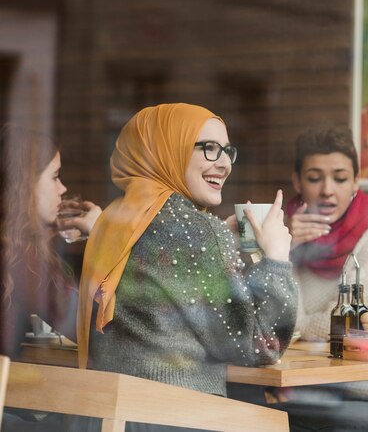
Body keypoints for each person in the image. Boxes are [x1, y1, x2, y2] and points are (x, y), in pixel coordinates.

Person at [76, 102, 297, 432]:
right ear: (167, 150)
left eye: (227, 151)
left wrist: (222, 252)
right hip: (177, 417)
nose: (224, 164)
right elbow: (259, 346)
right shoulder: (198, 230)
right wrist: (277, 259)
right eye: (209, 148)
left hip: (108, 415)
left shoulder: (114, 219)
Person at [276, 125, 368, 432]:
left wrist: (300, 328)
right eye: (314, 178)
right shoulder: (282, 238)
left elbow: (335, 324)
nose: (327, 189)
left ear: (355, 182)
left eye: (339, 178)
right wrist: (282, 251)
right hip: (297, 390)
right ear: (298, 181)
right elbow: (271, 331)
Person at [0, 123, 101, 431]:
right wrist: (103, 235)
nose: (62, 189)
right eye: (55, 177)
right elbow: (93, 326)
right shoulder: (20, 258)